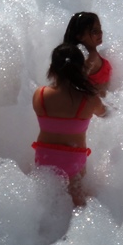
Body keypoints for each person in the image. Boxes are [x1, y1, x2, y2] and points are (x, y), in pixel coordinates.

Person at [32, 44, 107, 206]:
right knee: (78, 203)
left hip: (44, 155)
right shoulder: (89, 99)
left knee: (45, 201)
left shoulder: (40, 94)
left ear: (52, 68)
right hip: (72, 157)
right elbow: (104, 113)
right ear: (81, 68)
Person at [63, 12, 111, 94]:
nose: (100, 33)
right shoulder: (91, 57)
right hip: (98, 99)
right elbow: (78, 82)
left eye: (100, 28)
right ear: (80, 36)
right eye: (94, 31)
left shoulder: (88, 55)